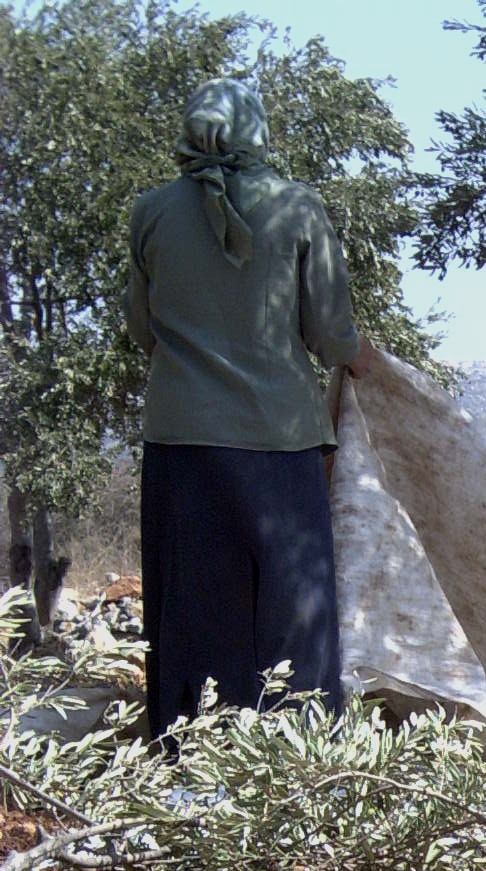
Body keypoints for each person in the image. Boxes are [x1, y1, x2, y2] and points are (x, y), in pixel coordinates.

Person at [126, 77, 375, 739]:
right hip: (280, 444)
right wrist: (373, 366)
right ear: (257, 131)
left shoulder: (151, 213)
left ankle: (191, 759)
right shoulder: (299, 208)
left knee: (193, 613)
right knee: (293, 613)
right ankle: (298, 758)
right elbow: (331, 337)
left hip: (180, 446)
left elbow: (141, 330)